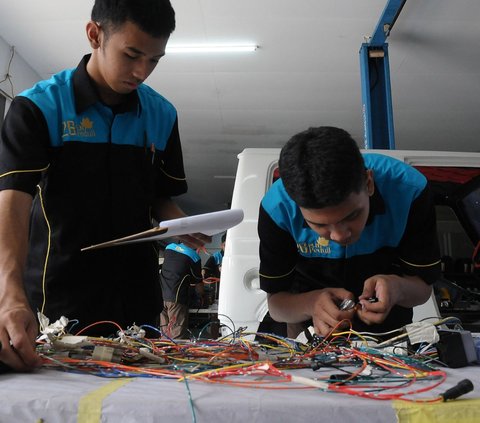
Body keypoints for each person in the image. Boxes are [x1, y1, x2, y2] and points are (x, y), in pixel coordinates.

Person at [0, 0, 209, 372]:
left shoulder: (161, 114)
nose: (142, 71)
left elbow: (159, 195)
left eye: (154, 60)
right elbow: (12, 204)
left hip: (138, 299)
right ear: (95, 34)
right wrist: (9, 293)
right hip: (59, 299)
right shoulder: (39, 108)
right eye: (132, 55)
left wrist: (181, 223)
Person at [258, 126, 442, 338]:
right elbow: (276, 304)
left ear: (369, 183)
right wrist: (312, 303)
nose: (339, 236)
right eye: (319, 225)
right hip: (308, 331)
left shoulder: (410, 192)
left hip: (386, 335)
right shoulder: (277, 208)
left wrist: (398, 288)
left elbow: (423, 288)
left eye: (351, 216)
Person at [159, 242, 204, 339]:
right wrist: (202, 297)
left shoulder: (169, 247)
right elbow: (198, 283)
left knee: (165, 335)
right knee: (177, 336)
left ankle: (162, 353)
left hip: (161, 296)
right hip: (176, 299)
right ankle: (173, 353)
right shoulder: (194, 256)